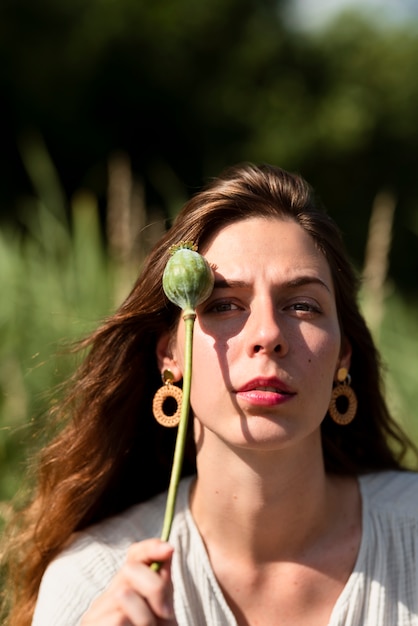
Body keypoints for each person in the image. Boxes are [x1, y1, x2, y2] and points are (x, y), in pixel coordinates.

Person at [3, 163, 418, 626]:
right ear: (170, 358)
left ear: (343, 355)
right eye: (222, 305)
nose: (267, 334)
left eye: (302, 305)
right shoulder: (90, 584)